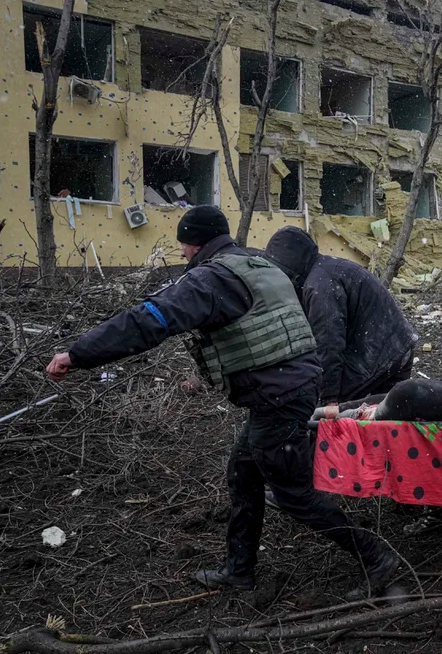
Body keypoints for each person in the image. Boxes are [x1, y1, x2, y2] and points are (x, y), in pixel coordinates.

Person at [44, 206, 398, 600]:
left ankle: (376, 557)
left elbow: (148, 321)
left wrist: (78, 354)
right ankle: (238, 570)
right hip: (287, 387)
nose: (180, 254)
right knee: (243, 473)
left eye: (182, 245)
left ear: (194, 243)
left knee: (294, 493)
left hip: (278, 394)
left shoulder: (211, 279)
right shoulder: (256, 262)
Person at [263, 226, 418, 415]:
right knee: (383, 418)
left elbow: (328, 343)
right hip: (396, 345)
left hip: (379, 354)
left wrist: (329, 399)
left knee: (327, 414)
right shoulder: (325, 270)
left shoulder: (319, 286)